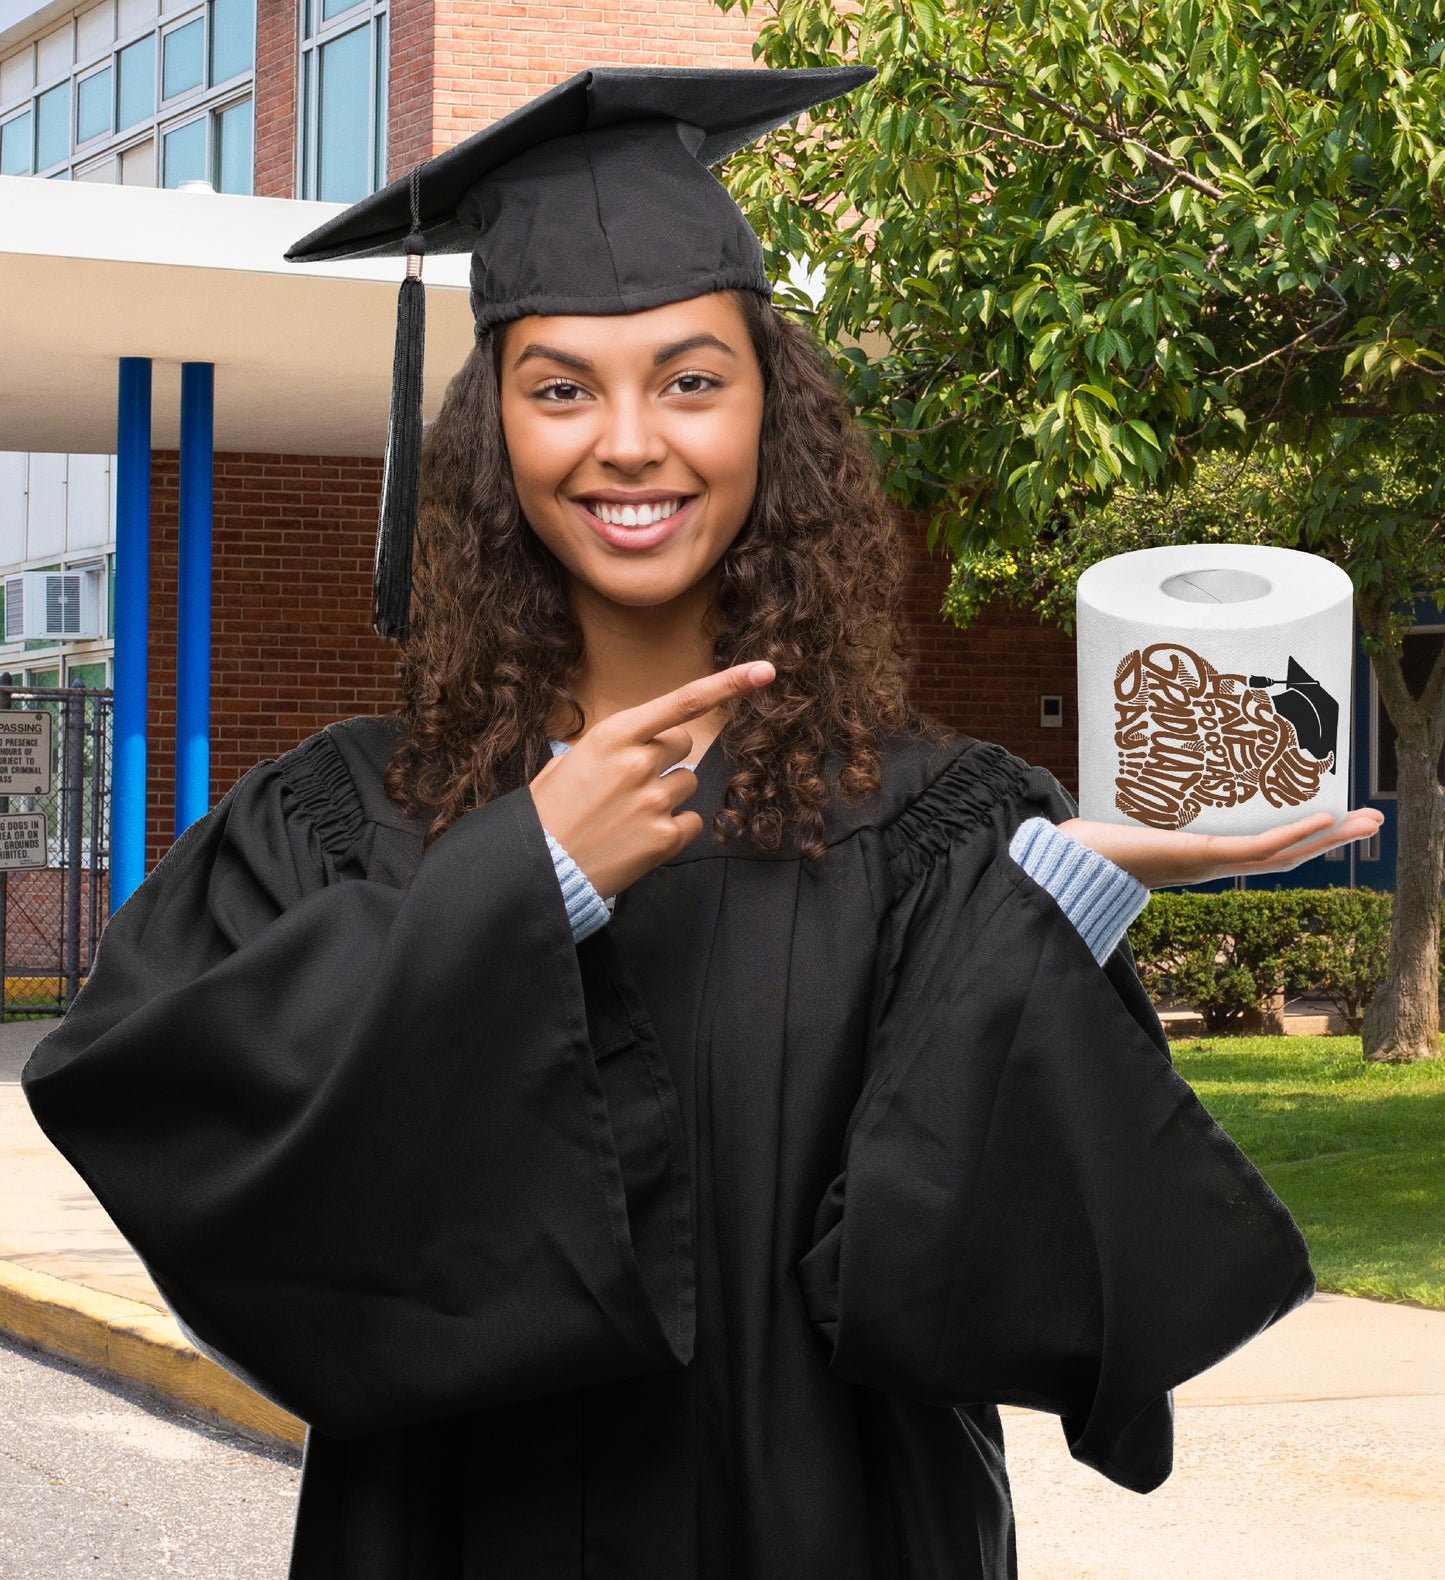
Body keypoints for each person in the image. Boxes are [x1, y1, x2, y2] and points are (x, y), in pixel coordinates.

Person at [22, 64, 1382, 1580]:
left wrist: (1053, 891)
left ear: (768, 419)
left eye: (688, 380)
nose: (627, 443)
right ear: (493, 442)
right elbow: (179, 1120)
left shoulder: (935, 822)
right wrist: (524, 877)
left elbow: (986, 1262)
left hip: (837, 1531)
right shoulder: (348, 811)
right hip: (460, 1534)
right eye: (559, 388)